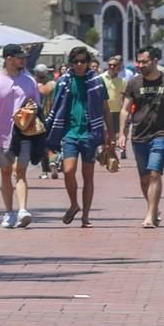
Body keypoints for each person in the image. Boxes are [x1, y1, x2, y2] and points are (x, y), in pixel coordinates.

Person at [118, 46, 164, 228]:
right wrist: (121, 133)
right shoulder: (134, 83)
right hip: (139, 134)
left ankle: (149, 215)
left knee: (155, 173)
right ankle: (153, 208)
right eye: (138, 62)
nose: (140, 65)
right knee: (144, 178)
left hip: (161, 134)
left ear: (155, 61)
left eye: (144, 62)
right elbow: (125, 110)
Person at [46, 46, 112, 228]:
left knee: (88, 176)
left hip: (90, 133)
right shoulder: (64, 82)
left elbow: (106, 109)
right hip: (70, 133)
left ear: (88, 61)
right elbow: (56, 107)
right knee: (68, 170)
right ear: (71, 63)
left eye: (83, 61)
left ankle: (85, 216)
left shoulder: (97, 81)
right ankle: (74, 204)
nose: (80, 64)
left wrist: (110, 136)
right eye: (76, 61)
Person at [0, 45, 40, 228]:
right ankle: (8, 212)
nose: (24, 60)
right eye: (20, 58)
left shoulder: (29, 81)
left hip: (24, 134)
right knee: (5, 172)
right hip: (0, 135)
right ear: (9, 58)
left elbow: (36, 107)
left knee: (20, 170)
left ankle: (23, 210)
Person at [101, 55, 129, 158]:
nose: (112, 67)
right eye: (110, 65)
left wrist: (125, 112)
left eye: (115, 65)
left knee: (115, 136)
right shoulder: (101, 78)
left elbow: (123, 98)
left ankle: (110, 154)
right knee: (106, 135)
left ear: (119, 66)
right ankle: (105, 153)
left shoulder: (122, 81)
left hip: (116, 111)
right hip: (103, 111)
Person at [33, 63, 58, 178]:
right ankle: (53, 160)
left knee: (42, 144)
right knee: (52, 142)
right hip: (53, 116)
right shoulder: (53, 84)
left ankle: (44, 172)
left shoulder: (33, 85)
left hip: (39, 118)